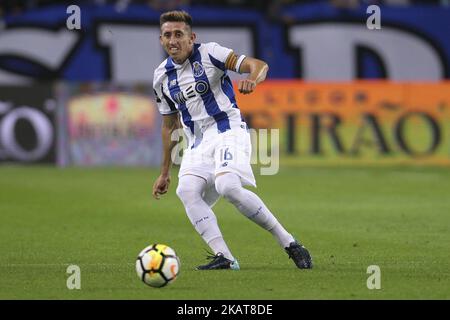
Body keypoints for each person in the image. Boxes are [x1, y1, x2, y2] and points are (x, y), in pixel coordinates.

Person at [152, 10, 312, 270]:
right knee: (186, 191)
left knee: (227, 186)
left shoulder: (211, 53)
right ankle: (225, 257)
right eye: (168, 35)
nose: (173, 40)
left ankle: (290, 243)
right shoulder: (161, 77)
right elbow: (168, 124)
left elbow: (259, 65)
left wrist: (252, 79)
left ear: (191, 38)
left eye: (179, 34)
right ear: (161, 40)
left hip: (228, 132)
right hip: (197, 145)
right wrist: (164, 172)